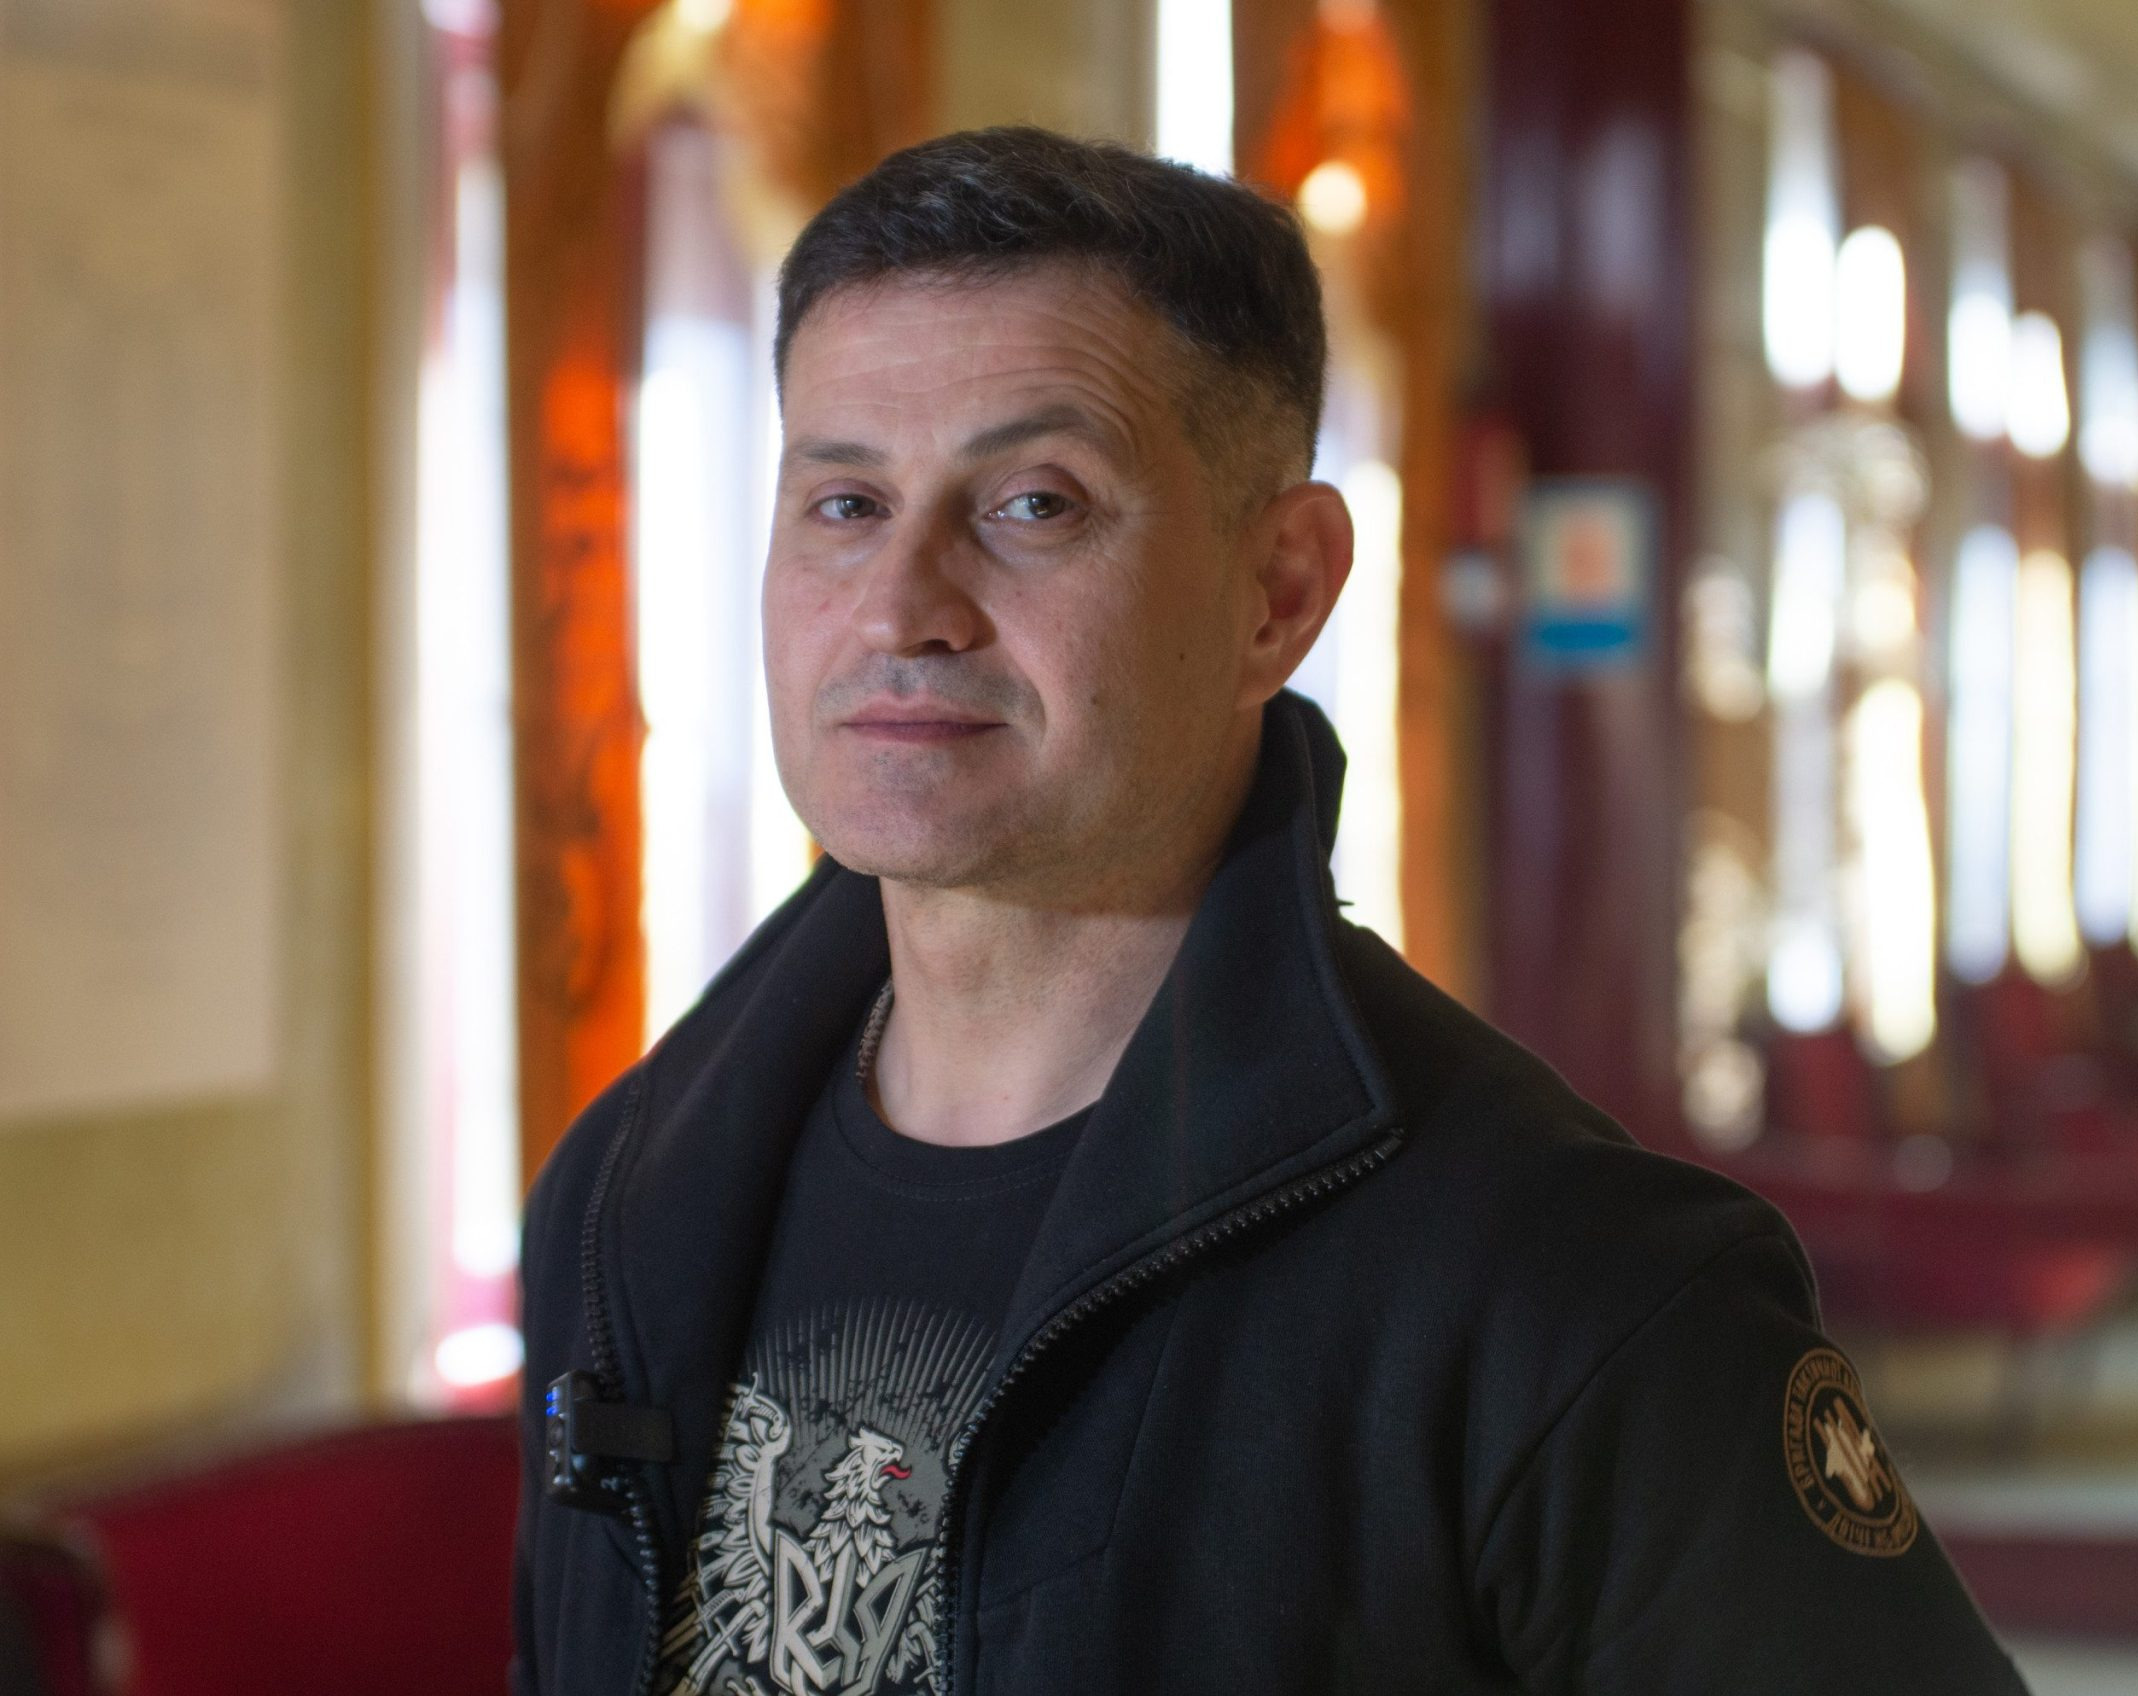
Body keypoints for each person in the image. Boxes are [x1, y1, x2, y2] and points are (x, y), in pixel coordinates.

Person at [509, 125, 2025, 1696]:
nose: (902, 605)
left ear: (1279, 591)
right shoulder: (628, 1195)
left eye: (1033, 503)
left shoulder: (1578, 1288)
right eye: (844, 504)